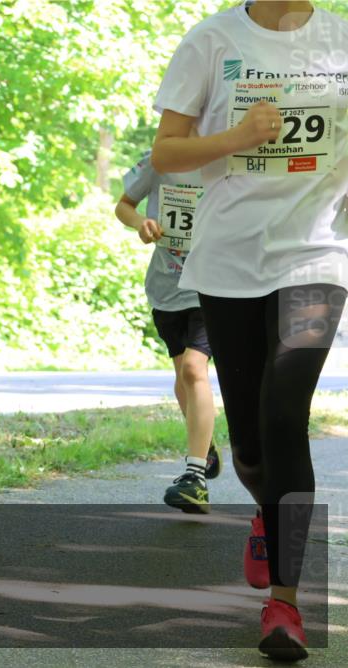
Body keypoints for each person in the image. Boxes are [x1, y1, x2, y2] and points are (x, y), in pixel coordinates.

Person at [152, 0, 347, 660]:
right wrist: (236, 137)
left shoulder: (342, 39)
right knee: (252, 449)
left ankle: (285, 606)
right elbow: (167, 154)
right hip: (230, 258)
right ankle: (267, 516)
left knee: (286, 408)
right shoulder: (212, 41)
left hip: (317, 251)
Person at [116, 152, 222, 514]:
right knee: (182, 377)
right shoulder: (159, 160)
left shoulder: (226, 159)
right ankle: (203, 445)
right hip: (166, 288)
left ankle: (195, 476)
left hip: (212, 285)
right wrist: (141, 222)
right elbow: (124, 205)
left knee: (195, 369)